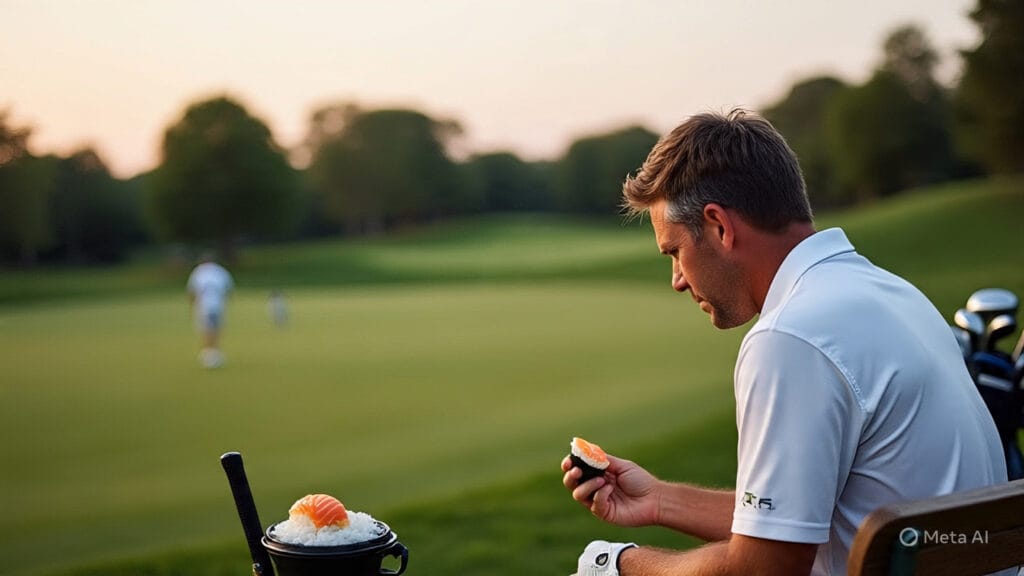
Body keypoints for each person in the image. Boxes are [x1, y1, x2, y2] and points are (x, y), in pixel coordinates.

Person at [561, 109, 1008, 576]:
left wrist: (618, 564)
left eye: (675, 251)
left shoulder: (790, 338)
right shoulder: (893, 293)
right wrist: (660, 500)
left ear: (719, 226)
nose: (676, 279)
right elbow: (793, 522)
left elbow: (763, 570)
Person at [187, 251, 234, 368]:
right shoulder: (221, 271)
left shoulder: (198, 272)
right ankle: (213, 352)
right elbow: (229, 290)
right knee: (215, 329)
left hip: (204, 306)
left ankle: (209, 354)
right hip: (218, 306)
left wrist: (192, 306)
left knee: (207, 330)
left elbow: (192, 291)